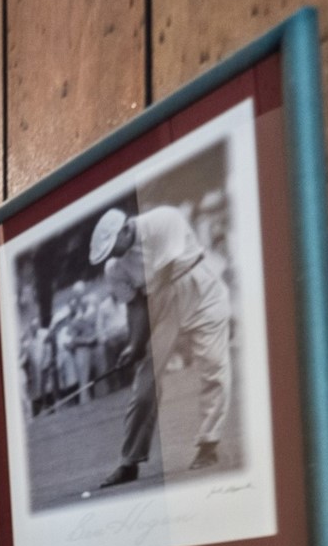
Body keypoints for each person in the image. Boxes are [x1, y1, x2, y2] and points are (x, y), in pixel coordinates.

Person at [89, 202, 232, 487]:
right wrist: (134, 344)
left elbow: (164, 275)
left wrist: (146, 329)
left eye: (112, 248)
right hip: (161, 303)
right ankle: (129, 462)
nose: (112, 256)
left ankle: (209, 443)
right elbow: (135, 305)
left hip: (200, 288)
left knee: (213, 365)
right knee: (145, 385)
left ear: (125, 229)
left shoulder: (163, 219)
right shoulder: (114, 268)